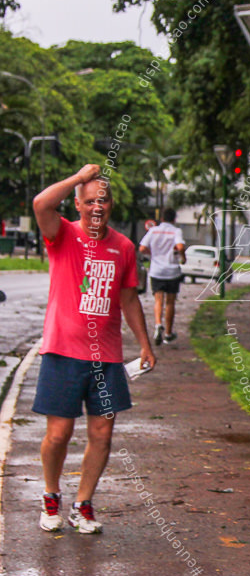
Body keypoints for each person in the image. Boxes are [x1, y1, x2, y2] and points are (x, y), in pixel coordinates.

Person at [32, 164, 156, 534]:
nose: (97, 207)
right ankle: (51, 495)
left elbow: (129, 299)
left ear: (111, 203)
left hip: (106, 357)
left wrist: (145, 345)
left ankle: (83, 504)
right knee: (59, 434)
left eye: (103, 200)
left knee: (102, 434)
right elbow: (41, 204)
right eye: (89, 201)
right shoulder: (63, 234)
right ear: (78, 204)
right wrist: (77, 177)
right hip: (62, 352)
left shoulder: (123, 247)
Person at [138, 207, 186, 345]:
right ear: (174, 219)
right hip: (172, 271)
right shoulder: (176, 231)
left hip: (156, 270)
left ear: (162, 218)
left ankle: (158, 324)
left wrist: (152, 254)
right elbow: (180, 247)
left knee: (158, 300)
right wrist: (182, 258)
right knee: (170, 302)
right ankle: (168, 333)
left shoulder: (153, 231)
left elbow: (141, 248)